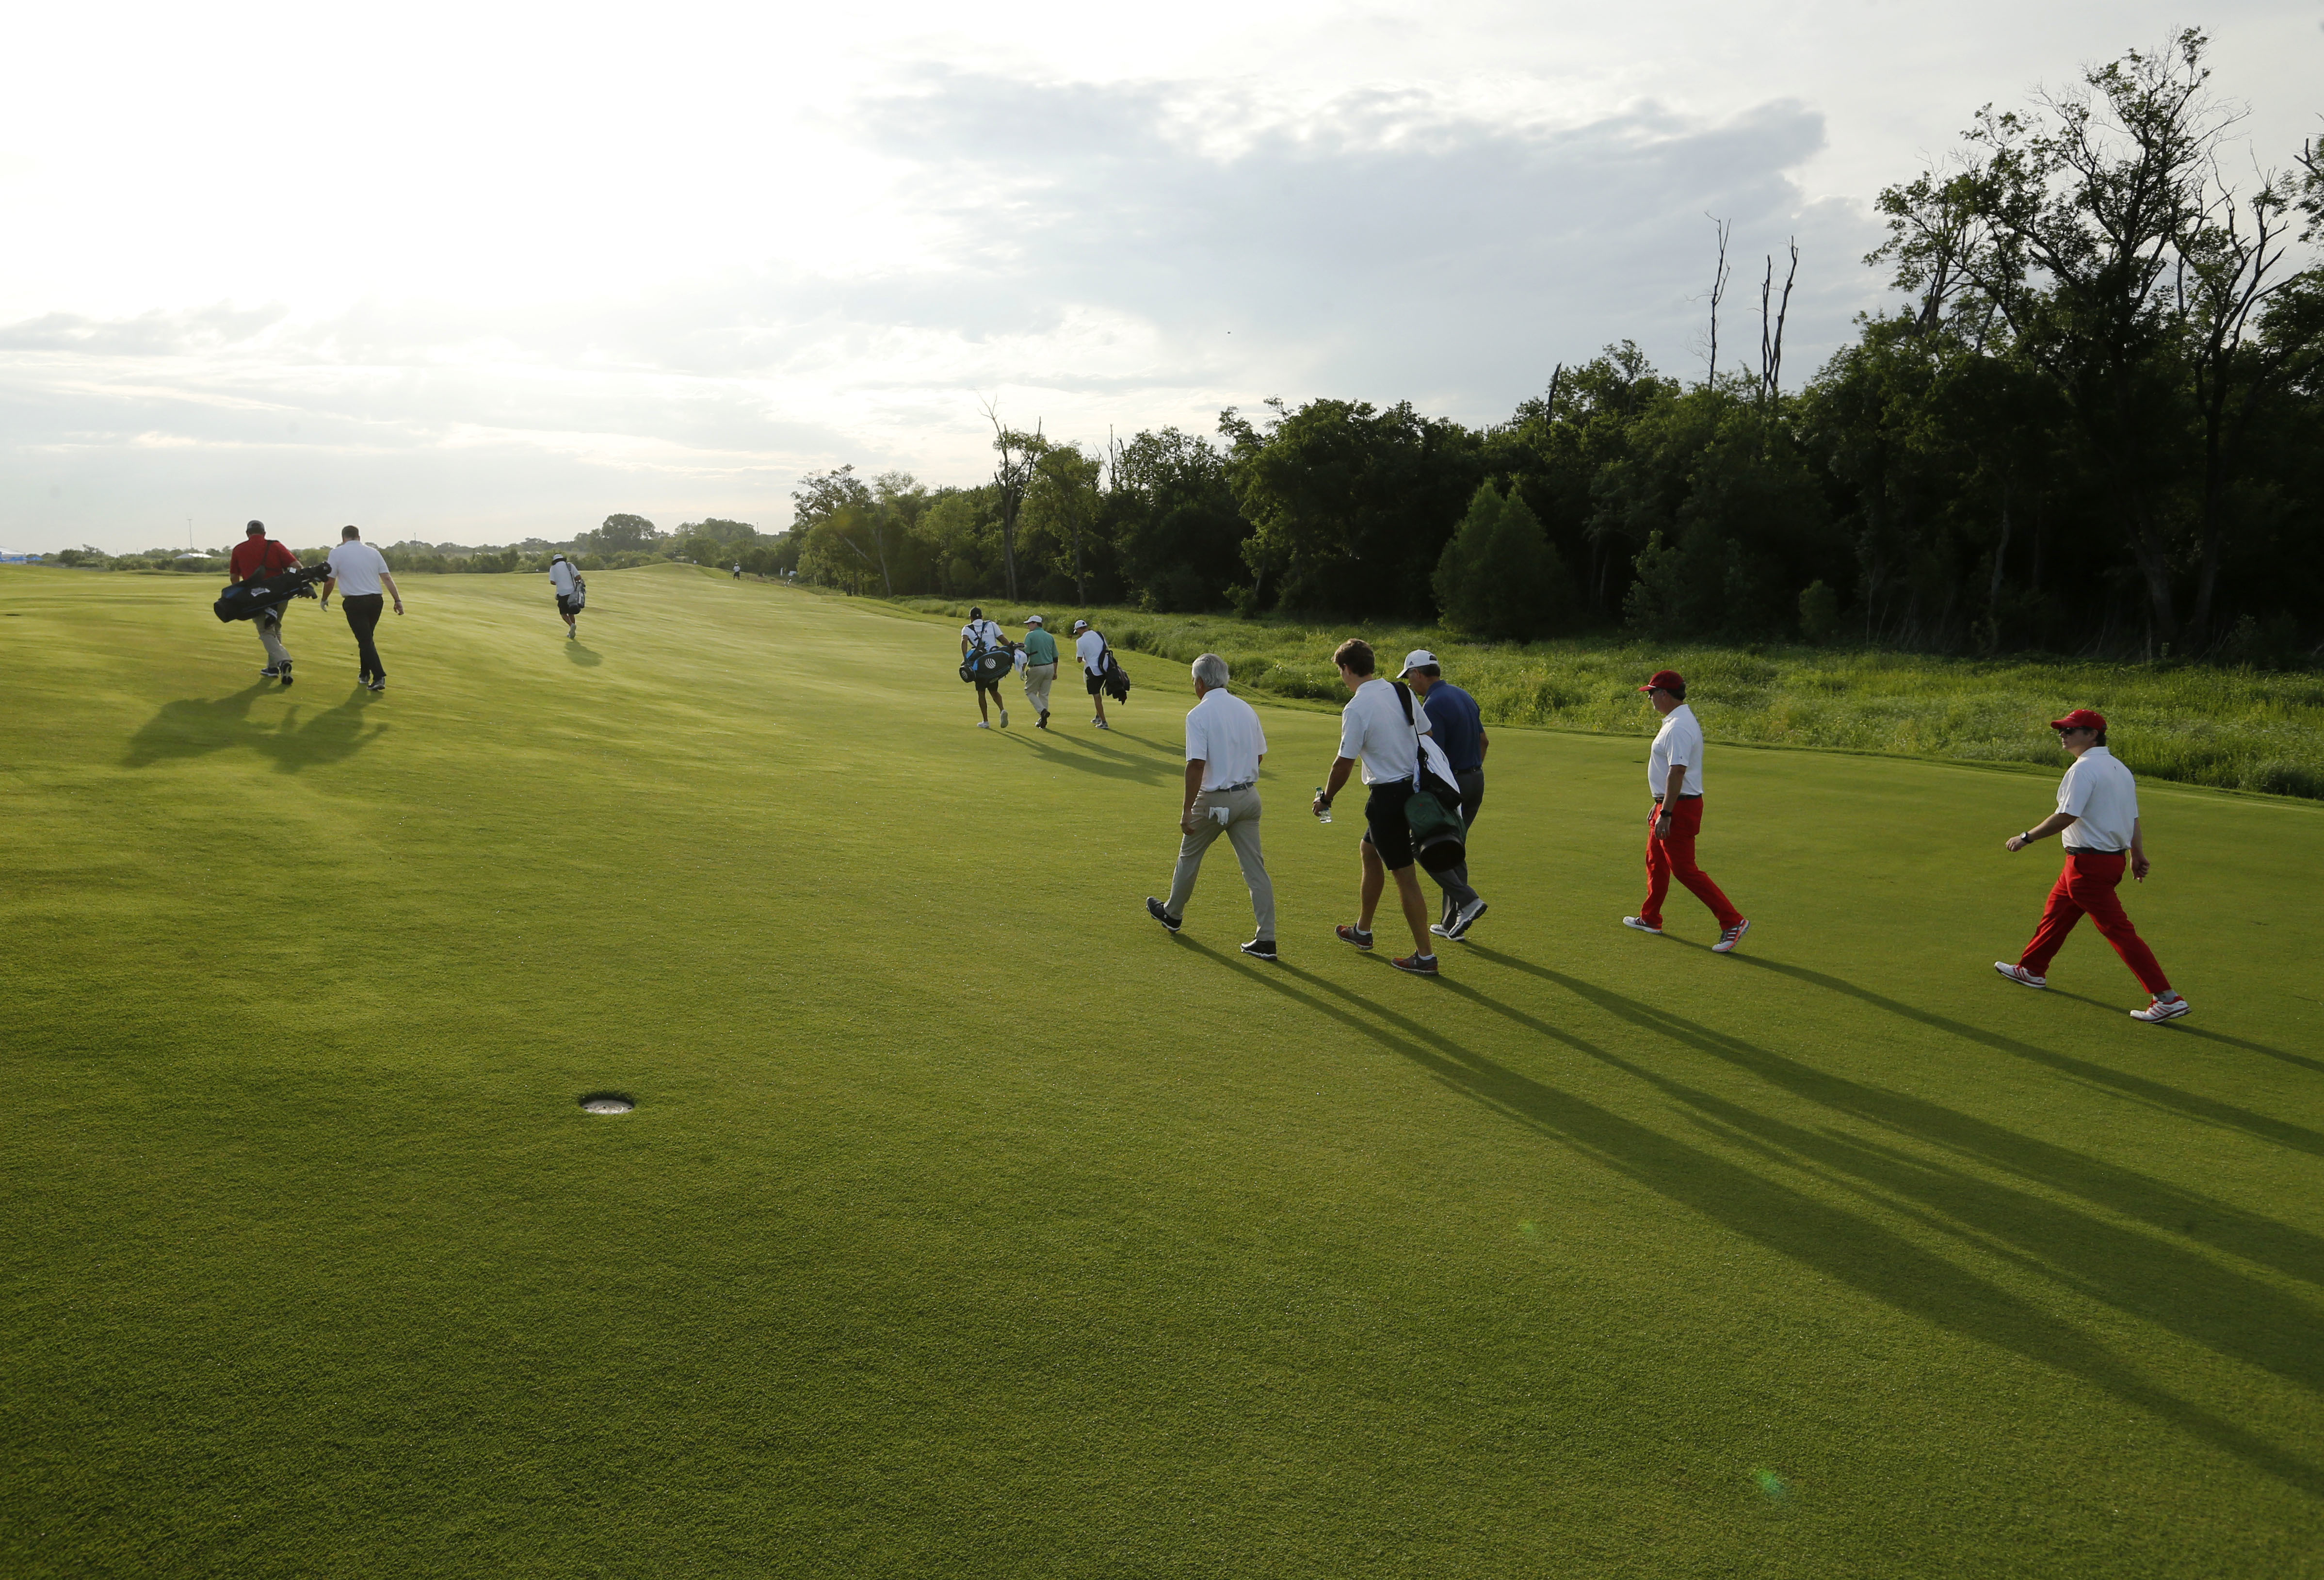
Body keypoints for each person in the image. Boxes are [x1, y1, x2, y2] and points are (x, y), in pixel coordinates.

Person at [1996, 709, 2188, 1022]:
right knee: (2056, 915)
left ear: (2092, 734)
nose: (2063, 734)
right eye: (2062, 730)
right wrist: (2136, 854)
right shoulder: (2119, 768)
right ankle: (2032, 969)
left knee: (2119, 931)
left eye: (2070, 730)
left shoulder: (2083, 769)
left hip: (2088, 865)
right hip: (2100, 861)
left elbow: (2066, 816)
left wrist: (2026, 837)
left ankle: (2167, 998)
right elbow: (2132, 818)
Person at [1311, 638, 1454, 977]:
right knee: (1369, 850)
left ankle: (1426, 956)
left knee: (1405, 876)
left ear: (1347, 669)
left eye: (1341, 671)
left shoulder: (1356, 707)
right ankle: (1362, 930)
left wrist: (1326, 798)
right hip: (1414, 790)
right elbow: (1427, 733)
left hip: (1388, 798)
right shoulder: (1400, 691)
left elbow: (1343, 763)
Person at [1146, 654, 1277, 959]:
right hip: (1249, 799)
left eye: (1194, 680)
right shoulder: (1246, 709)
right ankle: (1267, 938)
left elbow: (1196, 765)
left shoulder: (1198, 714)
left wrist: (1187, 809)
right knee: (1255, 870)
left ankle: (1173, 914)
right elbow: (1259, 756)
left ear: (1201, 683)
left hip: (1215, 800)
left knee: (1190, 855)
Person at [1623, 669, 1750, 951]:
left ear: (1664, 694)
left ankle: (1733, 921)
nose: (1650, 699)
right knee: (1656, 862)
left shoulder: (1678, 727)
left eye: (1652, 694)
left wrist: (1666, 813)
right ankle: (1650, 918)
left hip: (1679, 808)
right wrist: (1659, 804)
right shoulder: (1676, 721)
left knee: (1684, 870)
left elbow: (1678, 771)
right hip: (1669, 803)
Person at [1401, 650, 1489, 942]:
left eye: (1409, 677)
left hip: (1452, 786)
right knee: (1453, 845)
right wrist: (1469, 772)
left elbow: (1430, 754)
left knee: (1421, 845)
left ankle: (1467, 901)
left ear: (1417, 673)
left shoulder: (1433, 704)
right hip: (1475, 780)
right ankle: (1453, 923)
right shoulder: (1462, 695)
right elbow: (1484, 741)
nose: (1410, 683)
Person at [318, 525, 403, 692]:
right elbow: (386, 578)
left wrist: (324, 599)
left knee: (365, 640)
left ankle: (379, 677)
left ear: (343, 538)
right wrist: (397, 600)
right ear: (359, 537)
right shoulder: (374, 552)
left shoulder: (336, 553)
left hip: (354, 602)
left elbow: (330, 581)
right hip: (376, 601)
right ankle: (365, 674)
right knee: (367, 639)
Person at [228, 520, 301, 684]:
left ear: (248, 534)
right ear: (264, 533)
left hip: (257, 597)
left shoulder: (239, 549)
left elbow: (234, 577)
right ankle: (272, 668)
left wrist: (241, 594)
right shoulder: (275, 546)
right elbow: (297, 567)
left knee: (266, 631)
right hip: (280, 595)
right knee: (275, 627)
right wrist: (286, 581)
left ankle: (283, 661)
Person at [960, 605, 1008, 728]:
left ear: (971, 618)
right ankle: (1002, 710)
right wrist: (1012, 649)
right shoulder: (991, 624)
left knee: (981, 693)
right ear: (982, 617)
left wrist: (965, 659)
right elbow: (1003, 640)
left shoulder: (967, 628)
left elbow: (964, 641)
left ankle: (986, 721)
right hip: (994, 663)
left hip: (980, 665)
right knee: (994, 690)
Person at [1019, 614, 1059, 729]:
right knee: (1044, 694)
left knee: (1030, 692)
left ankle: (1042, 712)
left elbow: (1026, 654)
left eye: (1029, 624)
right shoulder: (1050, 636)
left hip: (1037, 668)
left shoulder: (1030, 635)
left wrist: (1022, 670)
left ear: (1035, 624)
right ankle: (1043, 720)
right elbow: (1055, 657)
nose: (1028, 626)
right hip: (1050, 667)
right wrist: (1055, 672)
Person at [1073, 618, 1112, 730]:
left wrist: (1084, 658)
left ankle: (1104, 722)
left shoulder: (1080, 641)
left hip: (1094, 670)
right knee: (1097, 693)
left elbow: (1079, 659)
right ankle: (1098, 717)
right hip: (1105, 668)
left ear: (1079, 630)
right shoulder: (1099, 635)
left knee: (1096, 695)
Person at [549, 553, 582, 637]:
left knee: (563, 613)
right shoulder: (570, 565)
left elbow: (552, 582)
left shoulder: (553, 568)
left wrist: (560, 582)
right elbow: (578, 577)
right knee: (571, 612)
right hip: (572, 592)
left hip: (562, 593)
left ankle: (571, 625)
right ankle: (572, 631)